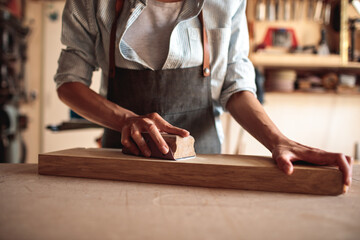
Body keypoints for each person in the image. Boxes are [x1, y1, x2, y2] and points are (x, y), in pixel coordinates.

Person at [55, 0, 352, 189]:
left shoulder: (227, 3)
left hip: (203, 169)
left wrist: (279, 141)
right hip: (121, 169)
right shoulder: (94, 4)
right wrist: (127, 120)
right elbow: (69, 82)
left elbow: (235, 87)